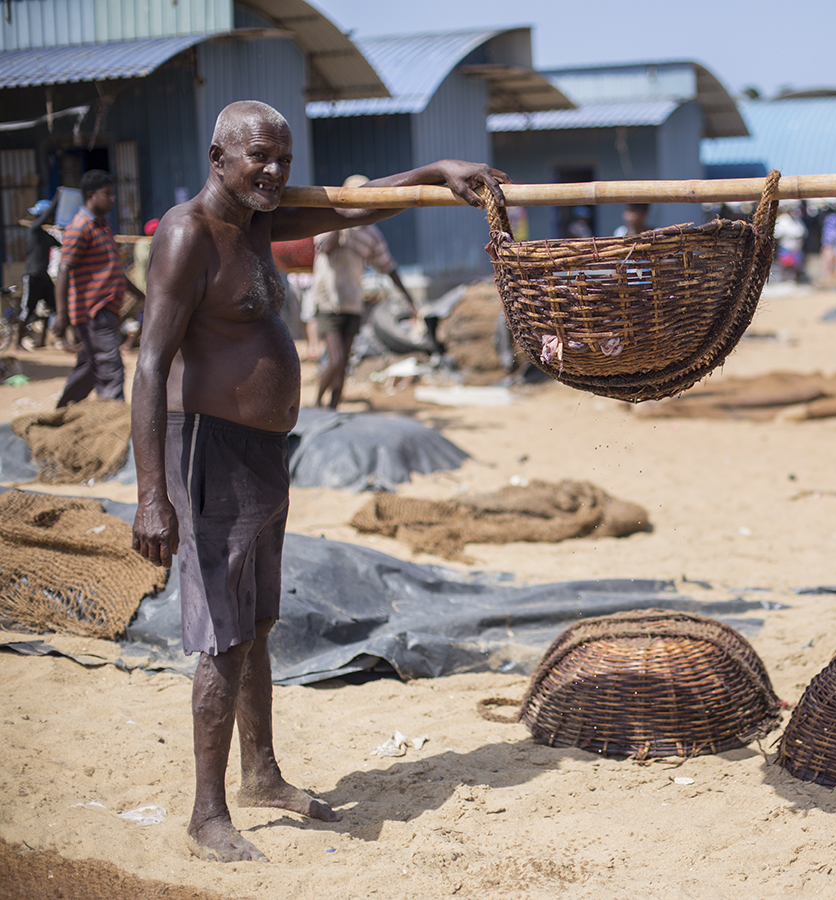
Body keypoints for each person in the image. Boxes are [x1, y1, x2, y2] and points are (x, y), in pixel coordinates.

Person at [130, 100, 507, 863]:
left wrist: (438, 172)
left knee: (259, 625)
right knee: (223, 640)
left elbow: (348, 204)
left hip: (267, 456)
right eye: (259, 159)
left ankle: (261, 775)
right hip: (210, 452)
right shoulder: (187, 235)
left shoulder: (260, 222)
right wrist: (151, 495)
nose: (273, 172)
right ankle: (208, 816)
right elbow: (148, 368)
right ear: (218, 157)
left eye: (284, 160)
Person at [309, 174, 415, 408]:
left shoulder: (370, 234)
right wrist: (340, 221)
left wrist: (409, 299)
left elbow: (388, 267)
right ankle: (317, 404)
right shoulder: (329, 223)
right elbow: (325, 248)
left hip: (353, 303)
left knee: (344, 363)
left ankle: (332, 408)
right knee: (335, 359)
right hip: (328, 302)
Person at [53, 169, 144, 407]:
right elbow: (64, 270)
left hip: (107, 309)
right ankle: (114, 418)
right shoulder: (80, 228)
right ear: (91, 196)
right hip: (94, 311)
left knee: (89, 366)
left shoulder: (102, 227)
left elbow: (116, 273)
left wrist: (143, 297)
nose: (112, 199)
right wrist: (62, 314)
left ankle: (62, 411)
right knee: (110, 366)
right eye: (108, 194)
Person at [19, 198, 59, 349]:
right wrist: (57, 198)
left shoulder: (47, 236)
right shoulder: (34, 229)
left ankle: (49, 340)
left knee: (55, 307)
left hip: (44, 276)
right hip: (32, 276)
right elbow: (43, 217)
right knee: (27, 311)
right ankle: (18, 342)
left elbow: (63, 246)